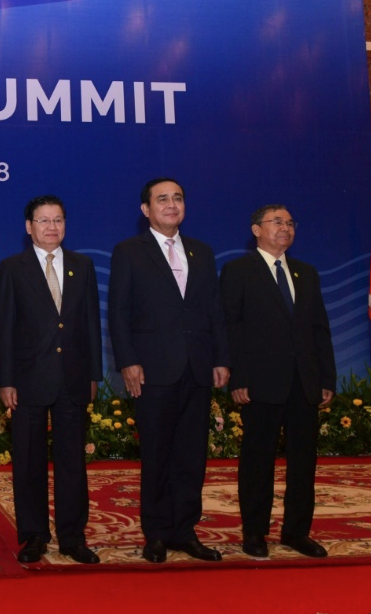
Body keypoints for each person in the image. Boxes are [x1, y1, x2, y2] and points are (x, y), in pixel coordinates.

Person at [108, 177, 229, 564]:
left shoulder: (202, 252)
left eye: (178, 197)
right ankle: (156, 533)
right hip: (152, 370)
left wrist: (221, 358)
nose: (172, 204)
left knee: (191, 456)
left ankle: (185, 530)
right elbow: (118, 312)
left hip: (196, 368)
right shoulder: (129, 251)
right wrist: (127, 360)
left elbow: (215, 311)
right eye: (162, 199)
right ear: (146, 209)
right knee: (157, 455)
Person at [220, 205, 335, 559]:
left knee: (304, 463)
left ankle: (296, 532)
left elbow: (319, 329)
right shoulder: (238, 270)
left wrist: (326, 378)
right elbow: (230, 329)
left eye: (289, 223)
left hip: (304, 384)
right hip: (259, 383)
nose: (285, 228)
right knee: (257, 463)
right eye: (277, 222)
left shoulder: (306, 273)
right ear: (256, 229)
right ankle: (254, 534)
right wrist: (237, 377)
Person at [0, 194, 103, 565]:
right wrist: (5, 380)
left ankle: (73, 536)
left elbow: (90, 324)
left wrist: (93, 374)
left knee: (73, 462)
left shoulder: (82, 265)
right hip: (27, 380)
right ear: (29, 227)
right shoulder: (13, 267)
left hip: (73, 378)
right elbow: (4, 329)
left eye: (58, 220)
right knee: (29, 462)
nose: (52, 227)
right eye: (43, 220)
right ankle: (34, 536)